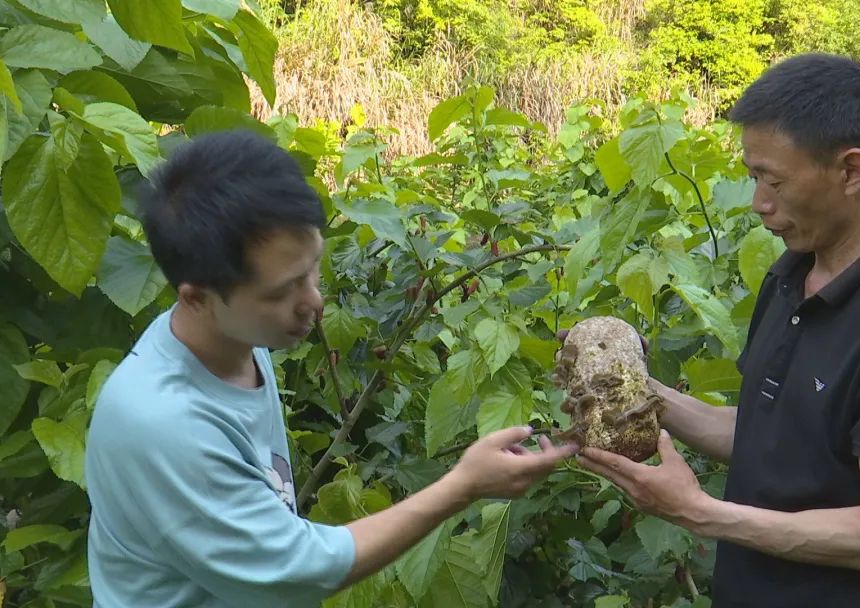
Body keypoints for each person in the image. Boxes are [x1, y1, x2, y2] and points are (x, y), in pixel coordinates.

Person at [84, 130, 578, 607]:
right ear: (197, 298)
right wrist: (464, 485)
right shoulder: (163, 425)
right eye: (283, 291)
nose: (314, 302)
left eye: (312, 268)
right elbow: (298, 571)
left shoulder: (235, 339)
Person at [571, 53, 860, 607]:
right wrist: (631, 392)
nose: (759, 203)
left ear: (851, 171)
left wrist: (698, 512)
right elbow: (770, 434)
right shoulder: (792, 275)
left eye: (775, 181)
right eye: (754, 177)